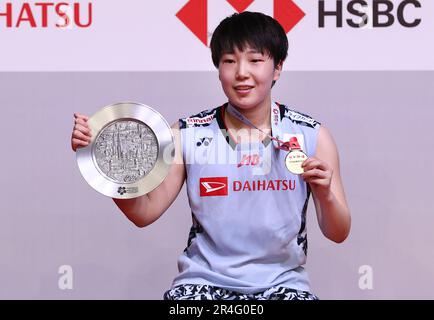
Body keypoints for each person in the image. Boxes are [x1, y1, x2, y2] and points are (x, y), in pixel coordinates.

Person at [71, 11, 350, 300]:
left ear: (277, 68)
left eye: (255, 60)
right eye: (229, 61)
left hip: (284, 286)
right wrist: (107, 164)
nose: (242, 72)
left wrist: (326, 193)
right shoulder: (186, 133)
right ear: (218, 68)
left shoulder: (312, 135)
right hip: (201, 286)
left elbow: (338, 232)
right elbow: (144, 212)